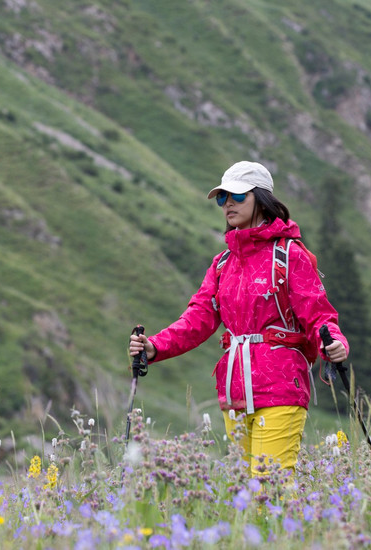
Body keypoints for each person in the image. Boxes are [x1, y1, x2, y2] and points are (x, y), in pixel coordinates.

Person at [128, 161, 349, 476]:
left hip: (282, 384)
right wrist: (154, 347)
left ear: (261, 198)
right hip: (234, 390)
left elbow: (318, 314)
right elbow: (199, 317)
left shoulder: (290, 255)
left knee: (270, 483)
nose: (228, 203)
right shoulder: (222, 263)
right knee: (246, 490)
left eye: (237, 195)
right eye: (222, 198)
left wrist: (335, 343)